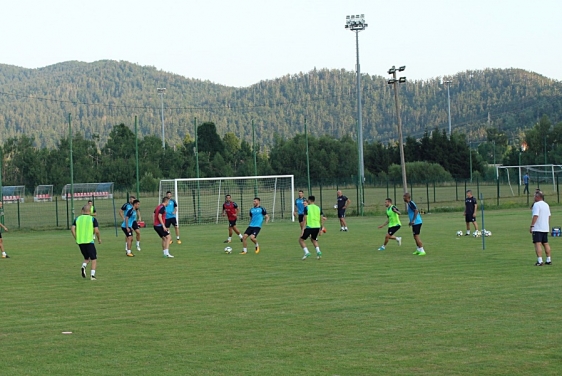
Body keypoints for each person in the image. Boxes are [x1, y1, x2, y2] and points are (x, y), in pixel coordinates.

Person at [71, 205, 101, 280]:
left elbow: (72, 229)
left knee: (87, 258)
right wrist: (99, 239)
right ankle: (92, 276)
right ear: (90, 211)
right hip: (89, 241)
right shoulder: (92, 219)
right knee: (94, 258)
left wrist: (76, 238)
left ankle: (83, 266)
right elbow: (97, 231)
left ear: (82, 210)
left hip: (80, 242)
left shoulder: (77, 219)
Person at [299, 196, 326, 260]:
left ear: (309, 200)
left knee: (301, 240)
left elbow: (305, 220)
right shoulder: (318, 208)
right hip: (317, 227)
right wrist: (321, 228)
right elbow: (321, 219)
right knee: (313, 239)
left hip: (309, 227)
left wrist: (302, 230)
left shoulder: (307, 208)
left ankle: (307, 252)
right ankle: (318, 251)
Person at [530, 191, 552, 266]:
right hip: (545, 227)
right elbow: (549, 216)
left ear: (538, 197)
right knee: (545, 243)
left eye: (535, 196)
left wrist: (532, 225)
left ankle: (540, 261)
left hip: (538, 227)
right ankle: (548, 259)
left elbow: (536, 215)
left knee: (538, 243)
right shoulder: (546, 205)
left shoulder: (536, 205)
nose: (534, 198)